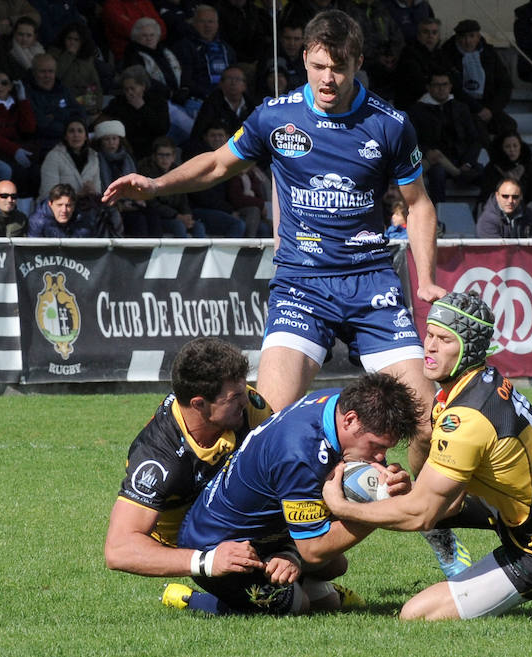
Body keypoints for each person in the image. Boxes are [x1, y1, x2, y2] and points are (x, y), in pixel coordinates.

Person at [103, 9, 469, 577]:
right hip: (302, 284)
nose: (328, 79)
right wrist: (156, 184)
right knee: (264, 425)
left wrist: (422, 278)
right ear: (305, 59)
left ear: (357, 64)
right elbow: (219, 164)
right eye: (319, 66)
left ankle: (431, 524)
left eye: (339, 68)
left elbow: (418, 204)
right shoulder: (276, 117)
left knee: (425, 420)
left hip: (372, 280)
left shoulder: (389, 124)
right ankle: (233, 549)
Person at [322, 291, 532, 620]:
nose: (429, 346)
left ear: (468, 349)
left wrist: (342, 508)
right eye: (428, 334)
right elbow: (439, 501)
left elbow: (421, 516)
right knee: (422, 500)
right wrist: (412, 492)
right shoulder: (477, 383)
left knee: (415, 614)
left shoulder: (467, 417)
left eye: (444, 339)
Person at [173, 372, 420, 615]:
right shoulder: (299, 455)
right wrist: (381, 508)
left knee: (334, 570)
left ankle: (297, 576)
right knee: (298, 604)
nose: (380, 458)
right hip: (219, 546)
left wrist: (387, 483)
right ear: (351, 420)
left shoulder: (337, 403)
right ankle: (192, 599)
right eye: (376, 446)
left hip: (266, 533)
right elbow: (313, 549)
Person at [104, 337, 272, 586]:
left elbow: (284, 460)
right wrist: (207, 561)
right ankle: (192, 599)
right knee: (292, 600)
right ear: (199, 404)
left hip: (235, 518)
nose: (245, 400)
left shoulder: (248, 408)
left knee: (330, 564)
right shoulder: (157, 458)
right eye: (235, 396)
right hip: (192, 541)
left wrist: (287, 548)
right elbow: (118, 550)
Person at [408, 69, 483, 204]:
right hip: (433, 160)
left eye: (444, 84)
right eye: (436, 85)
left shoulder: (461, 108)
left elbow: (475, 140)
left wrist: (468, 162)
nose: (441, 89)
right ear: (428, 87)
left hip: (460, 158)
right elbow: (410, 140)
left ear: (450, 86)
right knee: (438, 173)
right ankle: (438, 215)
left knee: (485, 173)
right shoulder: (417, 111)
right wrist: (426, 152)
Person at [122, 17, 193, 146]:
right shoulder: (133, 54)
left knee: (199, 110)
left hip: (182, 96)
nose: (149, 38)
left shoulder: (165, 50)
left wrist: (185, 88)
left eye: (152, 35)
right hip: (159, 100)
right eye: (144, 35)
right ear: (136, 37)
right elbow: (143, 80)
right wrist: (171, 93)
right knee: (189, 126)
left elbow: (185, 69)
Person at [440, 19, 516, 140]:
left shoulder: (490, 54)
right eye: (463, 37)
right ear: (457, 38)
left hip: (488, 106)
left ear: (478, 37)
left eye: (471, 36)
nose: (467, 41)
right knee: (477, 129)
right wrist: (477, 109)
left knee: (509, 126)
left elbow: (505, 84)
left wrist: (491, 109)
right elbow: (453, 89)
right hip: (461, 107)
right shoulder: (447, 55)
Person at [137, 136, 207, 238]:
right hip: (158, 217)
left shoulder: (178, 171)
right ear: (154, 156)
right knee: (178, 226)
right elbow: (151, 203)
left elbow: (184, 199)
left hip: (177, 215)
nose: (164, 159)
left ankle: (199, 254)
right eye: (161, 155)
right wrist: (176, 216)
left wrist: (187, 214)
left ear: (174, 156)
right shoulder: (146, 172)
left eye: (168, 155)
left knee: (198, 226)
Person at [101, 66, 169, 162]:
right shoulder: (118, 103)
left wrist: (142, 108)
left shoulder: (157, 101)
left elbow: (162, 128)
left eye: (132, 88)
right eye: (126, 89)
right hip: (126, 147)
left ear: (143, 86)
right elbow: (105, 118)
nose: (129, 93)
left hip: (151, 148)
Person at [25, 52, 84, 152]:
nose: (47, 75)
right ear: (34, 72)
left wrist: (55, 114)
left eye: (51, 71)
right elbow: (41, 124)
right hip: (45, 146)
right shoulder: (28, 93)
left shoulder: (63, 89)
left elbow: (80, 113)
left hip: (71, 141)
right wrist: (68, 119)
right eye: (42, 72)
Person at [393, 17, 450, 111]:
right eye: (426, 32)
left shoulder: (442, 54)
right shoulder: (408, 54)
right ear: (418, 35)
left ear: (439, 36)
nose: (430, 36)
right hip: (414, 105)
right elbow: (418, 85)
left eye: (434, 32)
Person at [38, 117, 99, 201]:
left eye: (80, 131)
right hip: (59, 210)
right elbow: (48, 193)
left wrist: (93, 191)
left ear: (86, 137)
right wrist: (78, 195)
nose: (76, 135)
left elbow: (98, 191)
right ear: (65, 136)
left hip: (86, 208)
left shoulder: (94, 157)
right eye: (71, 131)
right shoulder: (53, 156)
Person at [191, 65, 254, 142]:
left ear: (244, 85)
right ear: (221, 84)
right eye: (229, 79)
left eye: (238, 79)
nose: (233, 83)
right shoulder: (211, 104)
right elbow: (199, 134)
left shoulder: (252, 105)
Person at [28, 182, 99, 237]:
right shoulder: (37, 222)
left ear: (74, 205)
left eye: (68, 205)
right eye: (59, 205)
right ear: (50, 204)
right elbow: (33, 252)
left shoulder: (83, 220)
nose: (64, 210)